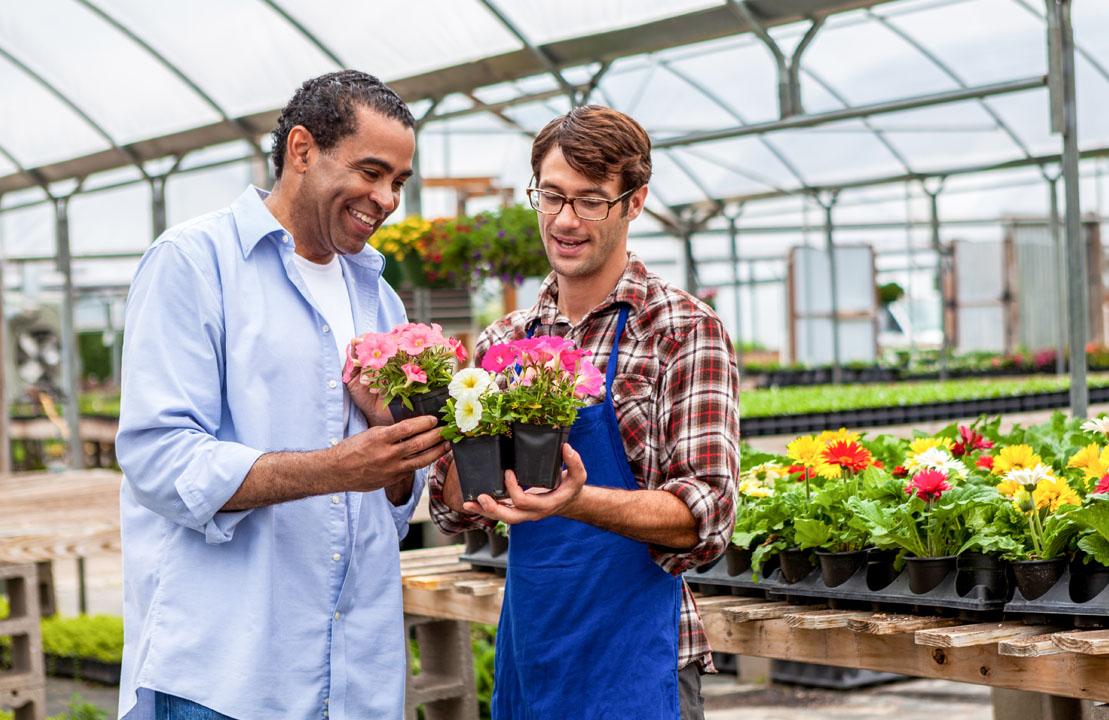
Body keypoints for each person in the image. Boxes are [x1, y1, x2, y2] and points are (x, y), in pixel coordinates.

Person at [116, 70, 446, 720]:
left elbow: (393, 507)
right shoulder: (194, 263)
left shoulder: (379, 299)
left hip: (355, 681)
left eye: (398, 182)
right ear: (301, 150)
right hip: (231, 677)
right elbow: (160, 460)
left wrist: (401, 468)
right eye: (372, 172)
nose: (386, 199)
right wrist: (335, 468)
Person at [428, 105, 740, 719]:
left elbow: (708, 514)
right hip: (532, 652)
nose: (566, 221)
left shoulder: (679, 330)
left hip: (638, 660)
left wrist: (576, 499)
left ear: (635, 201)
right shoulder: (501, 343)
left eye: (591, 200)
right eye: (552, 197)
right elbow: (451, 509)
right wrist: (447, 421)